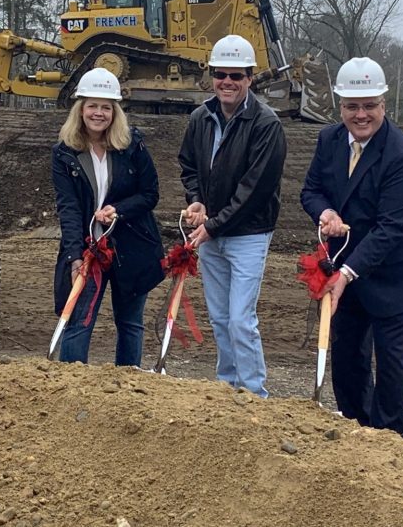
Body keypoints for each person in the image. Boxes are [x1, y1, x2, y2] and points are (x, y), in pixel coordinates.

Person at [300, 56, 403, 438]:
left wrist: (345, 273)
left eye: (369, 106)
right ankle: (356, 432)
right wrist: (326, 211)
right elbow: (311, 190)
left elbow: (392, 228)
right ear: (339, 105)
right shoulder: (329, 140)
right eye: (351, 106)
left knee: (392, 368)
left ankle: (392, 442)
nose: (360, 115)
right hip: (348, 263)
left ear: (383, 104)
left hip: (399, 272)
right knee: (347, 359)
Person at [178, 35, 285, 398]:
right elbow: (188, 165)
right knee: (220, 319)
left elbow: (254, 190)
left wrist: (213, 225)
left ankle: (254, 394)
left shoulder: (265, 124)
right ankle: (227, 389)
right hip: (212, 231)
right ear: (212, 75)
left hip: (248, 234)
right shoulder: (200, 118)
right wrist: (196, 201)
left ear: (250, 79)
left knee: (240, 320)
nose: (227, 82)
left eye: (236, 76)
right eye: (220, 74)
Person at [52, 67, 164, 366]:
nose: (98, 113)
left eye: (106, 107)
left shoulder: (132, 145)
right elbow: (69, 207)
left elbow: (150, 194)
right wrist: (75, 255)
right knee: (79, 319)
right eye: (92, 106)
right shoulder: (65, 153)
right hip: (89, 247)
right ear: (81, 109)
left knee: (130, 322)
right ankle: (71, 382)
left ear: (115, 112)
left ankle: (128, 384)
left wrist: (120, 210)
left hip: (131, 244)